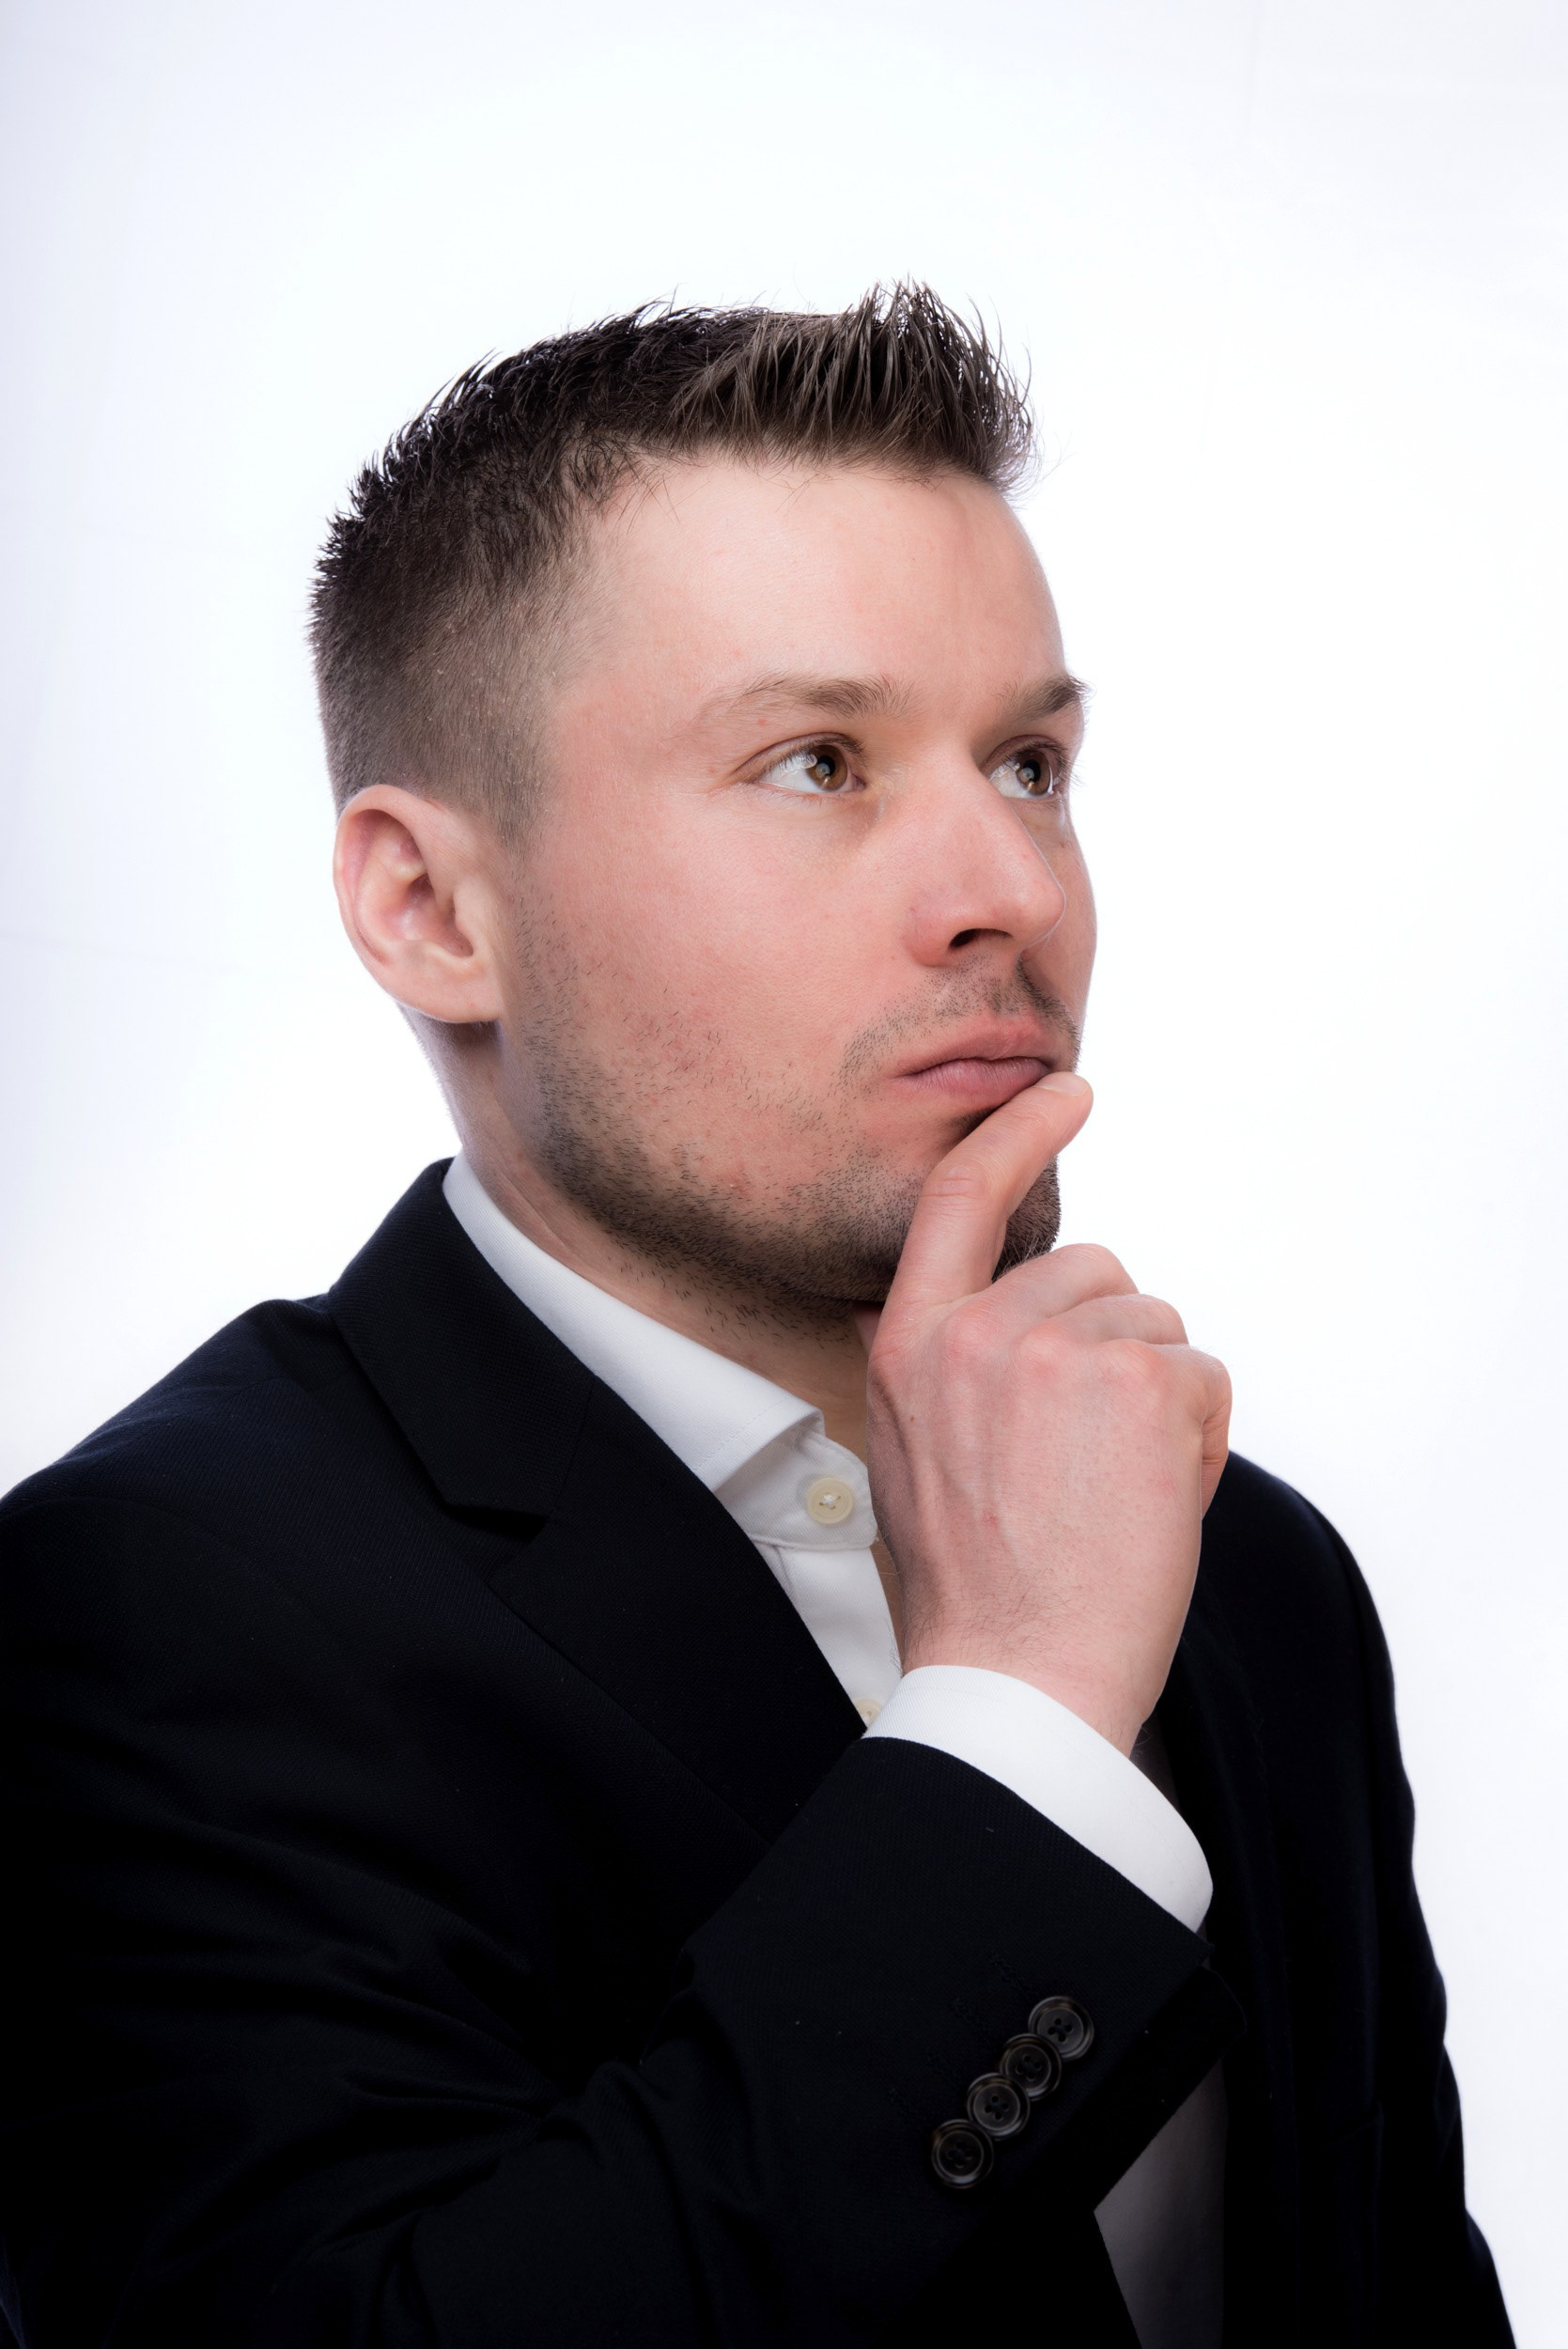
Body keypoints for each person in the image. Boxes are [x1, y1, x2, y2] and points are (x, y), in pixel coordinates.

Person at [0, 288, 1511, 2348]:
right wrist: (1019, 1723)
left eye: (1030, 762)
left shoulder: (1249, 1573)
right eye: (817, 763)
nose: (1010, 889)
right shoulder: (136, 1612)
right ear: (431, 909)